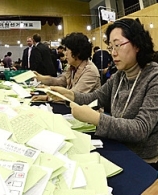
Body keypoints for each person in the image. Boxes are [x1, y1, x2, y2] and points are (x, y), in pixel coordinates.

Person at [49, 18, 158, 169]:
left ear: (137, 44)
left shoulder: (154, 77)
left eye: (118, 45)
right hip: (118, 146)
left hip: (144, 161)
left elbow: (141, 128)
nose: (113, 53)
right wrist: (69, 95)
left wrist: (96, 119)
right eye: (111, 47)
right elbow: (96, 97)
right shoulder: (120, 76)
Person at [32, 32, 100, 101]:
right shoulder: (72, 68)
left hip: (87, 110)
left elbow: (73, 95)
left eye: (67, 50)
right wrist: (40, 78)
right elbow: (59, 81)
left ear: (77, 52)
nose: (65, 53)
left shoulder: (90, 71)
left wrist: (48, 94)